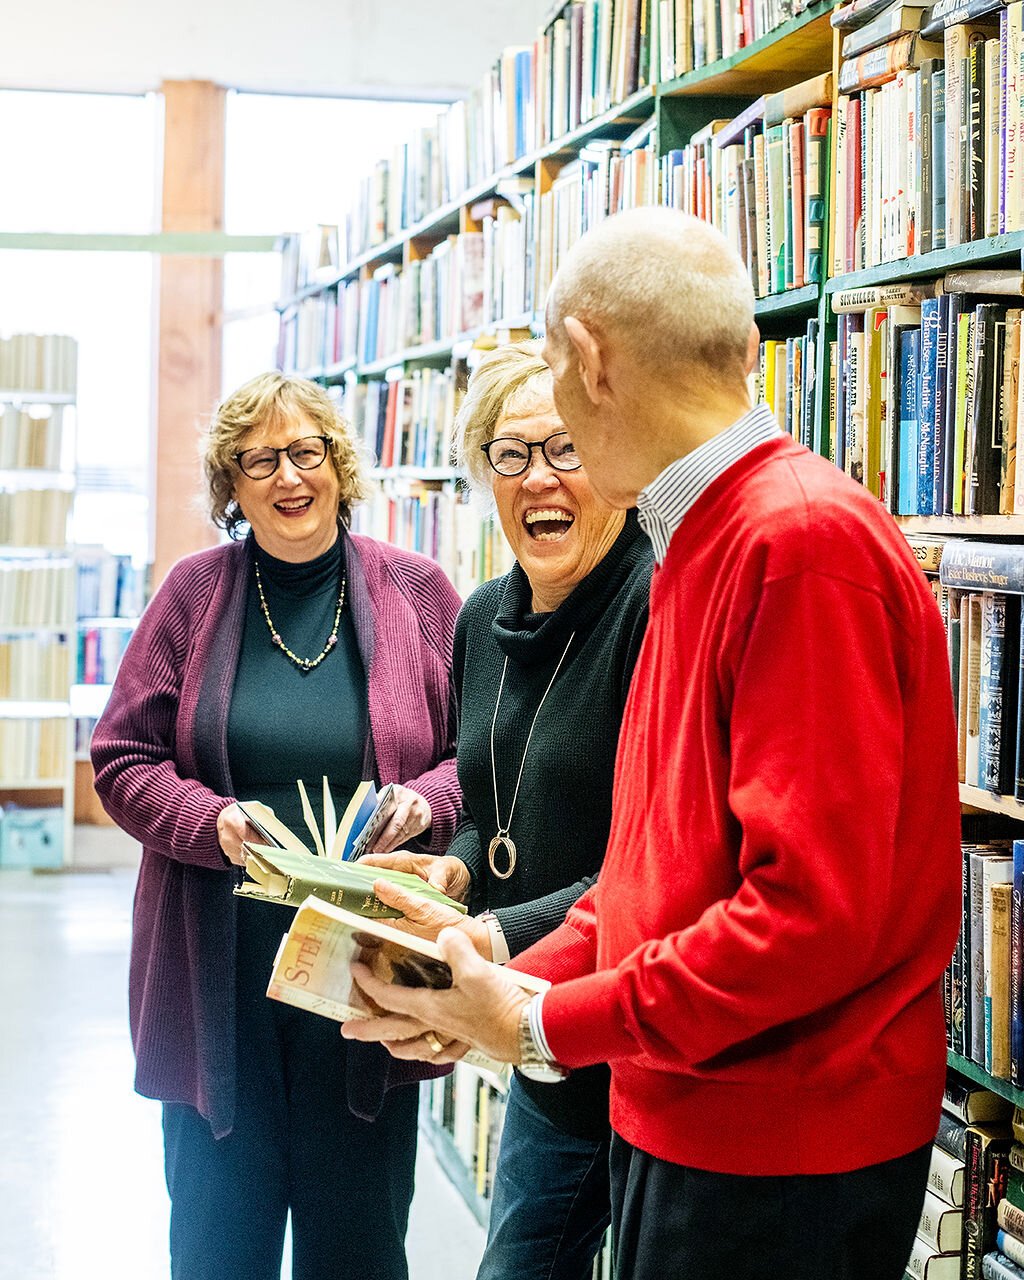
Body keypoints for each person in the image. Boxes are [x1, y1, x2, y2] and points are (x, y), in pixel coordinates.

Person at [340, 208, 964, 1280]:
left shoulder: (797, 544)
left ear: (588, 356)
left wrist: (539, 1026)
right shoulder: (697, 538)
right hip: (686, 1103)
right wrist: (504, 969)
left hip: (778, 1149)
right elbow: (656, 867)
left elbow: (805, 917)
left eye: (555, 377)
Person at [90, 372, 462, 1280]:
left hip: (368, 985)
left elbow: (478, 757)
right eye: (260, 461)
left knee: (361, 1245)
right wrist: (209, 821)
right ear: (232, 484)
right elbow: (121, 757)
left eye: (306, 453)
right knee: (220, 1245)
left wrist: (431, 801)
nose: (288, 478)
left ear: (337, 463)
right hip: (219, 981)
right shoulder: (193, 595)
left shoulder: (419, 592)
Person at [362, 340, 652, 1280]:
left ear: (614, 462)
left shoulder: (658, 609)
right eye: (510, 454)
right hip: (535, 1032)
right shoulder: (482, 616)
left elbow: (649, 865)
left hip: (642, 1028)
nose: (539, 479)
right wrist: (452, 866)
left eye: (565, 449)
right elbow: (491, 810)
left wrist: (485, 932)